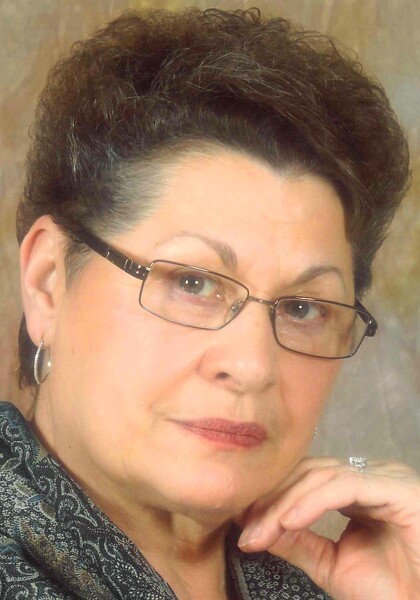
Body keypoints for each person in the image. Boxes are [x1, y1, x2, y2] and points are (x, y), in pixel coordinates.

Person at [1, 7, 418, 599]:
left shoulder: (326, 583)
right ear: (48, 281)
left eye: (303, 308)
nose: (251, 366)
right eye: (192, 283)